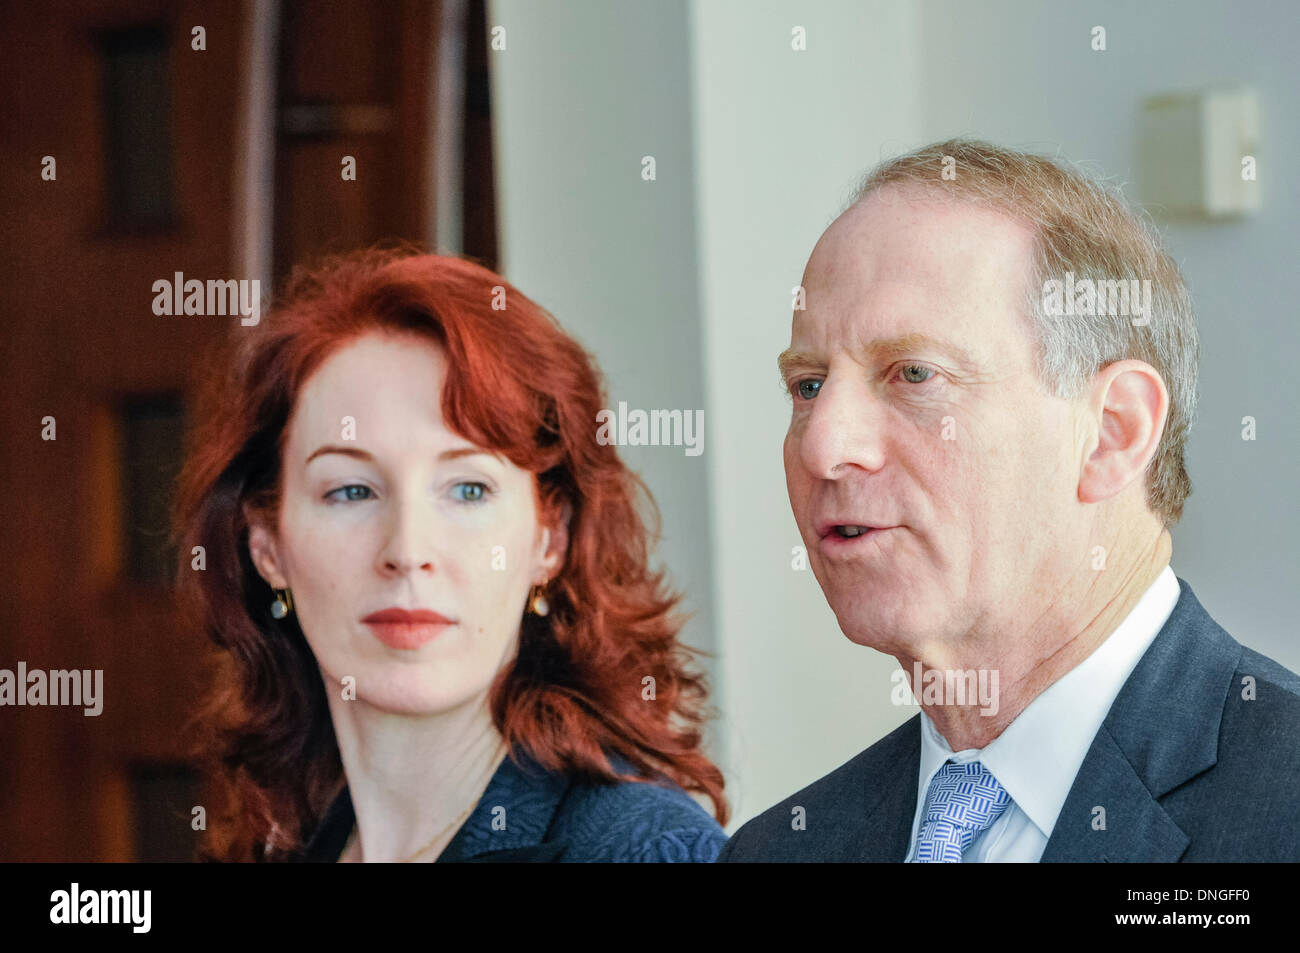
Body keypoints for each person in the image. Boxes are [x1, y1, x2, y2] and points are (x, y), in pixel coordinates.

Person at [719, 139, 1300, 862]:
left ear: (1111, 433)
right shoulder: (777, 850)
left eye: (913, 374)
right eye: (808, 385)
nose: (823, 447)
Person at [174, 247, 727, 862]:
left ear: (551, 539)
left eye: (468, 489)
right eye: (351, 490)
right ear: (268, 547)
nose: (408, 552)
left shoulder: (641, 850)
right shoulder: (287, 848)